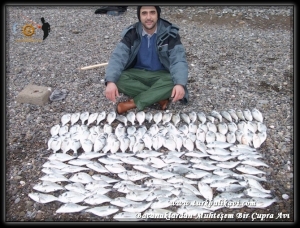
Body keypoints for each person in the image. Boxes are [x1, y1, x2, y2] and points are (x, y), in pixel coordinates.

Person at [104, 6, 189, 114]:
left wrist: (180, 84)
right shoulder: (132, 33)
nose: (148, 17)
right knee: (117, 79)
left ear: (158, 14)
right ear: (139, 16)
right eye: (144, 13)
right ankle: (158, 97)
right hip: (138, 74)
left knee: (175, 81)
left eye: (152, 13)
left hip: (162, 75)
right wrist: (111, 81)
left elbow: (179, 60)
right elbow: (117, 57)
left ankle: (134, 103)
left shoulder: (170, 33)